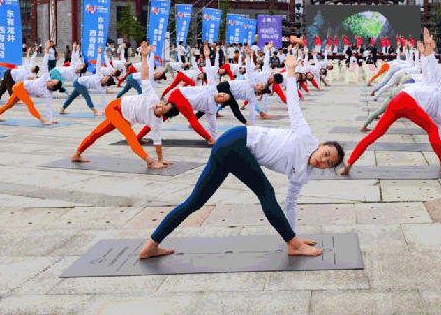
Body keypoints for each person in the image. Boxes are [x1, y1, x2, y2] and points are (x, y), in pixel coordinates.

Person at [138, 40, 345, 259]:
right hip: (236, 142)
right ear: (321, 146)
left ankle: (151, 245)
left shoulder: (304, 174)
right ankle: (293, 245)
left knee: (196, 201)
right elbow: (293, 103)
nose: (323, 161)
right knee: (266, 192)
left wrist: (293, 234)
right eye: (326, 155)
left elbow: (291, 202)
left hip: (230, 148)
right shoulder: (305, 136)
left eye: (328, 164)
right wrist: (291, 71)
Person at [341, 28, 441, 175]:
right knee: (428, 129)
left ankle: (348, 165)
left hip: (402, 104)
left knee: (377, 134)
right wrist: (427, 50)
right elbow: (432, 70)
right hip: (405, 99)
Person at [70, 43, 178, 167]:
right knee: (130, 135)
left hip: (125, 117)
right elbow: (145, 75)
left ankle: (77, 154)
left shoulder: (156, 122)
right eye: (162, 104)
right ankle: (149, 161)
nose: (158, 106)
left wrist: (160, 159)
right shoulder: (152, 97)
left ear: (164, 116)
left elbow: (157, 140)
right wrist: (144, 57)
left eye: (162, 109)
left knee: (98, 132)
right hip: (115, 108)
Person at [0, 49, 62, 126]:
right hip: (20, 87)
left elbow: (49, 107)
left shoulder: (48, 94)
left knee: (8, 105)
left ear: (52, 88)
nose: (50, 81)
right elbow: (45, 65)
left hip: (21, 89)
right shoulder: (44, 79)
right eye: (51, 80)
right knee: (30, 104)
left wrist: (50, 120)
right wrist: (47, 52)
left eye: (52, 82)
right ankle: (42, 120)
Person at [59, 48, 115, 115]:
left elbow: (103, 99)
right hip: (78, 83)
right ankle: (95, 112)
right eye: (105, 76)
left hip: (82, 85)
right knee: (87, 96)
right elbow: (98, 65)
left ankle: (62, 110)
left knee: (72, 97)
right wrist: (99, 54)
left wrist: (104, 111)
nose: (104, 77)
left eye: (105, 78)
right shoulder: (99, 75)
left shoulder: (102, 88)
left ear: (106, 83)